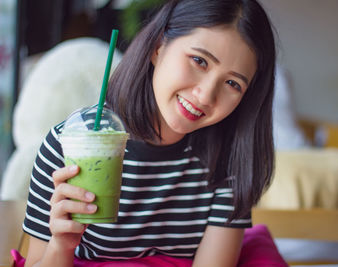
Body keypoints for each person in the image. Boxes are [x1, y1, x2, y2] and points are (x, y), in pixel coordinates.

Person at [23, 0, 276, 266]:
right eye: (199, 61)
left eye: (232, 83)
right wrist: (61, 245)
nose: (205, 95)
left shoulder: (230, 160)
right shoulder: (67, 144)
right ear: (158, 47)